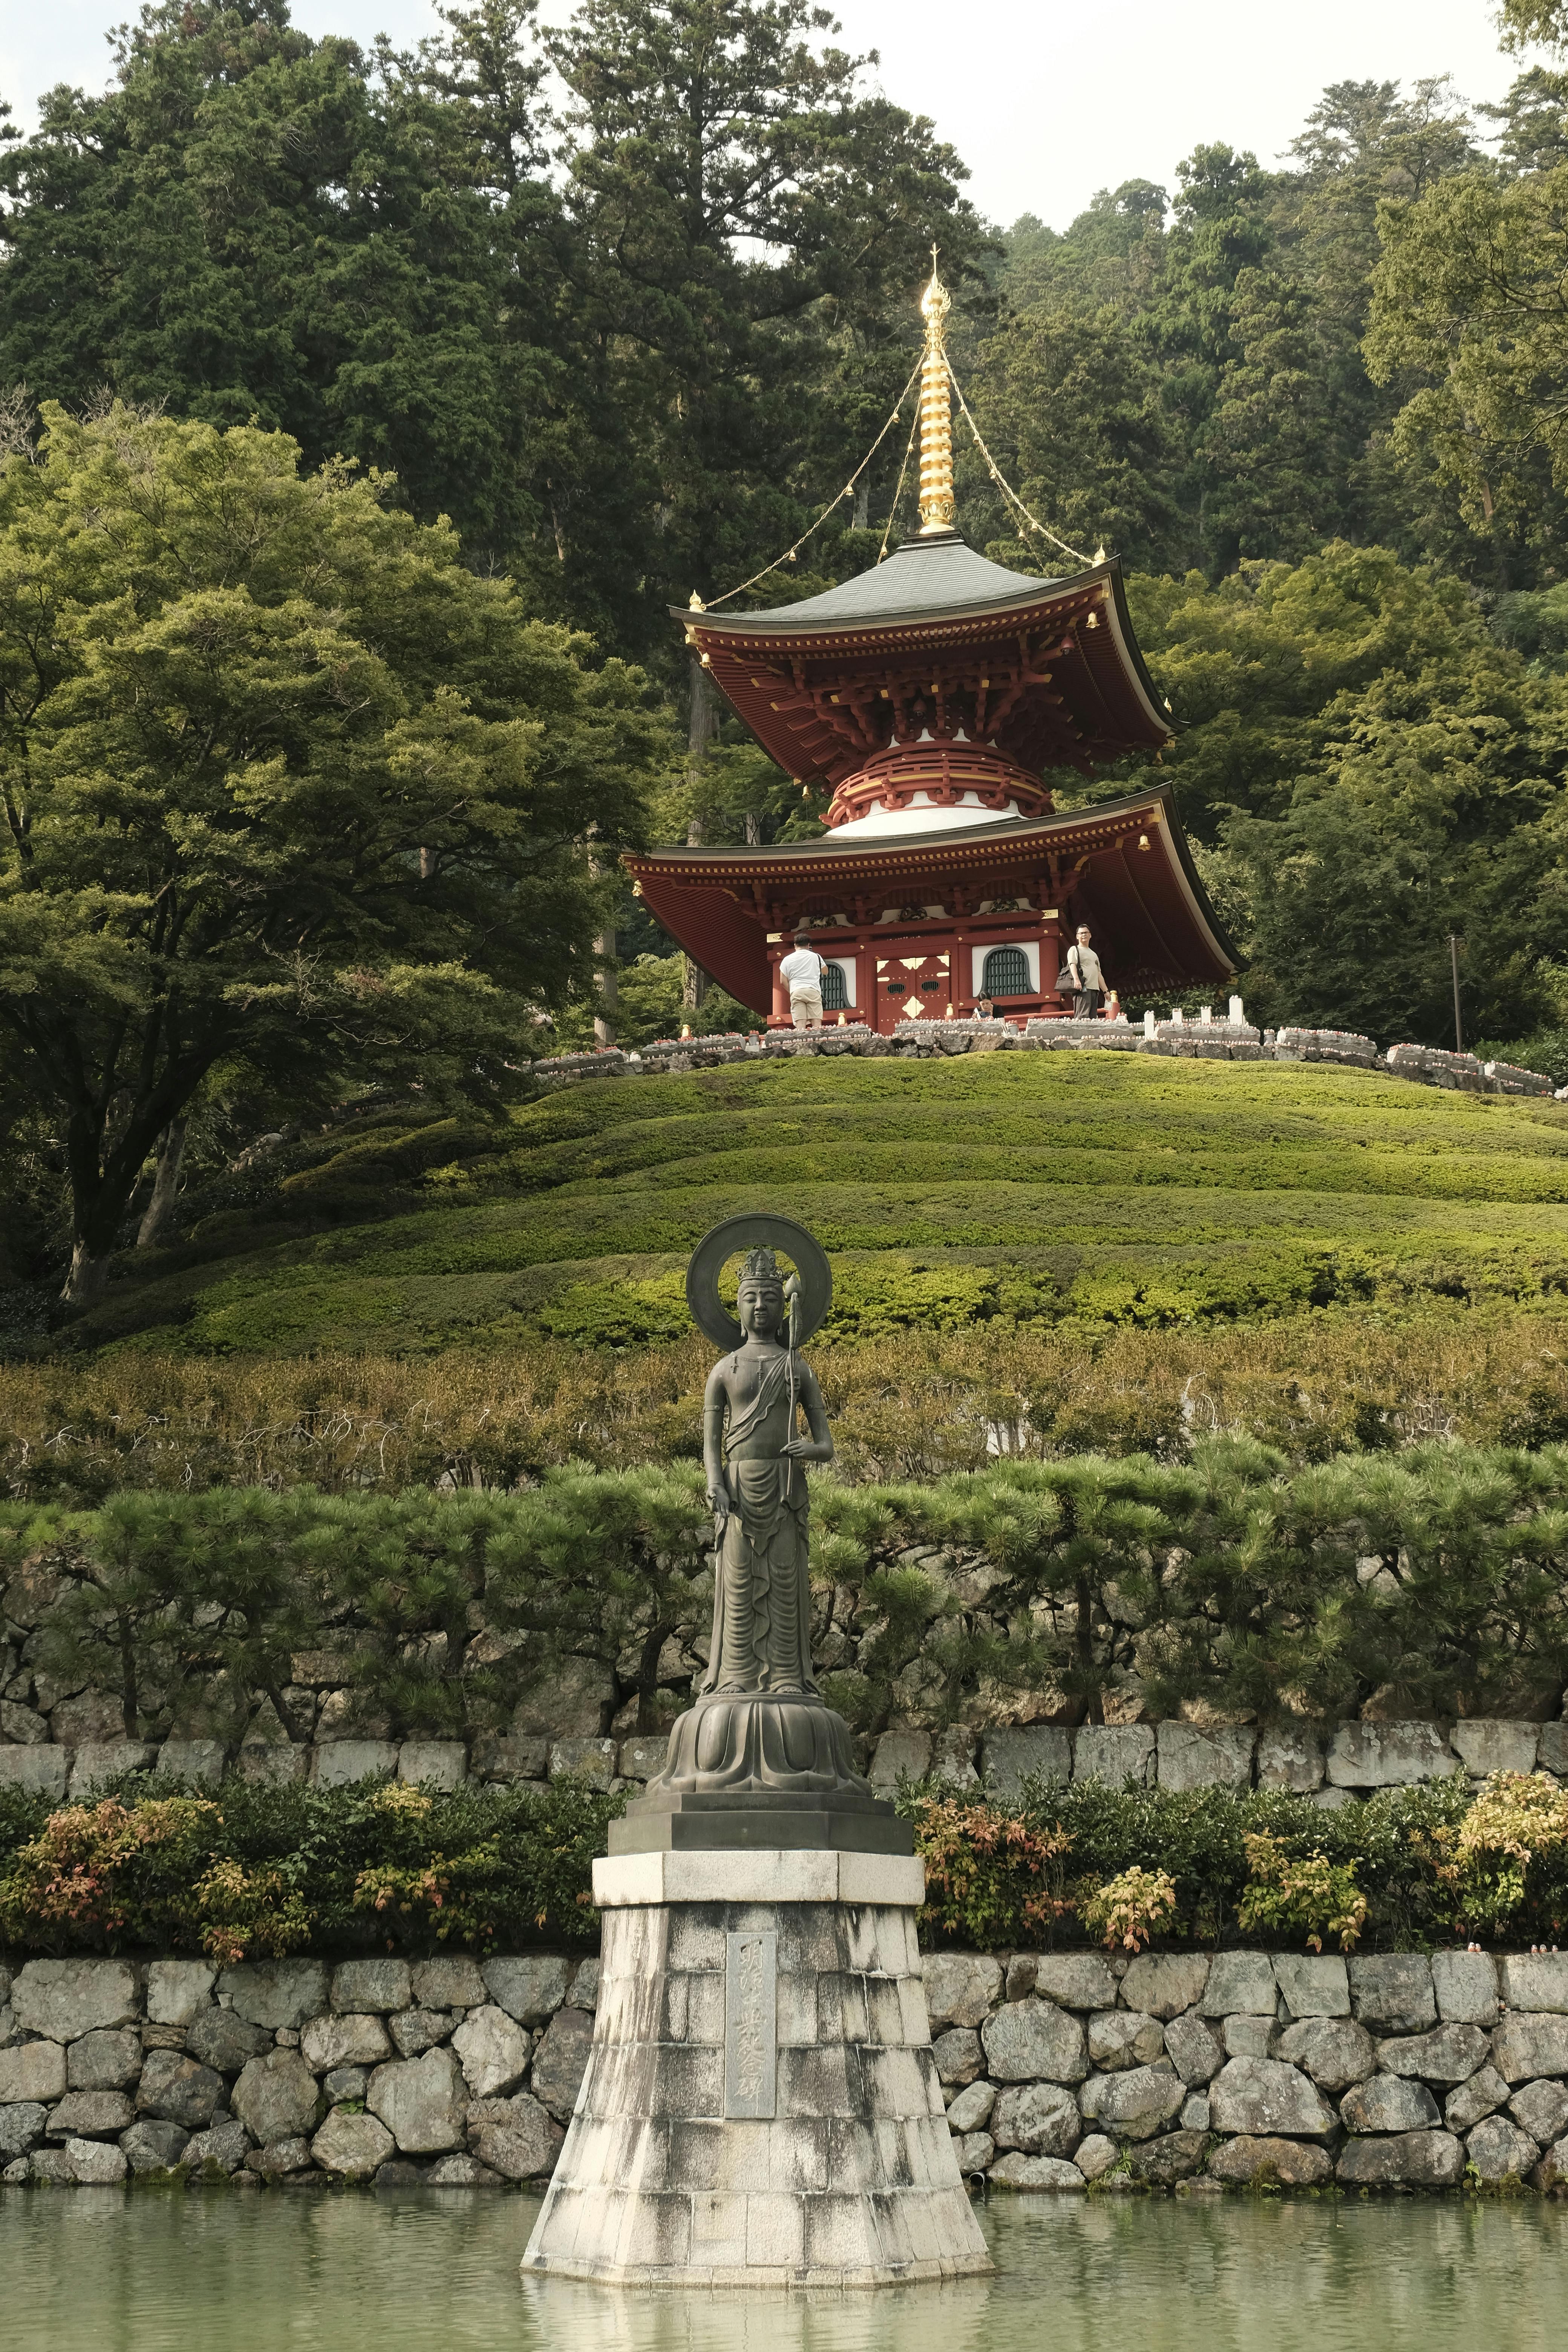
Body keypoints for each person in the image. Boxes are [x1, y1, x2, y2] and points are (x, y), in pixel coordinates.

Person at [778, 931, 827, 1029]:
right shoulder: (816, 957)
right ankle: (818, 1038)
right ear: (809, 945)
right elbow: (826, 972)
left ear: (795, 945)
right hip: (813, 990)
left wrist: (792, 991)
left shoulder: (787, 959)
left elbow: (783, 981)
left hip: (797, 991)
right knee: (817, 1021)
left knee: (800, 1022)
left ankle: (801, 1037)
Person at [1066, 925, 1107, 1017]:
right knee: (1083, 1016)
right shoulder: (1075, 949)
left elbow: (1099, 974)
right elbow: (1072, 965)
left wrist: (1106, 991)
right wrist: (1077, 980)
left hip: (1095, 989)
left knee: (1093, 1017)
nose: (1084, 935)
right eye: (1081, 933)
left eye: (1086, 933)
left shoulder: (1094, 954)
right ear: (1077, 936)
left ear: (1090, 935)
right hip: (1083, 987)